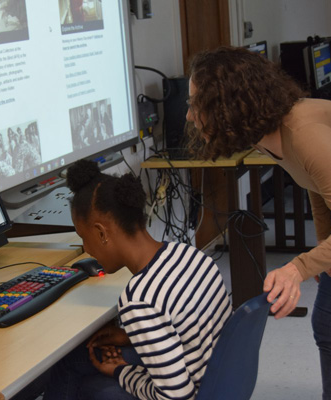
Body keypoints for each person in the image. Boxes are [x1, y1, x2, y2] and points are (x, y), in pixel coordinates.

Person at [185, 46, 331, 399]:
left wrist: (298, 267)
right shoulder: (266, 137)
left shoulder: (304, 131)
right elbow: (316, 183)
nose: (189, 116)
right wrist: (324, 245)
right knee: (329, 328)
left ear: (227, 102)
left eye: (195, 104)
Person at [43, 159, 232, 400]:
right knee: (79, 358)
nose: (86, 249)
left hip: (192, 393)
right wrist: (130, 337)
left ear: (102, 233)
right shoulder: (189, 254)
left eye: (84, 237)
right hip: (216, 382)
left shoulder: (140, 300)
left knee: (84, 384)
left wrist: (123, 372)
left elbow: (175, 397)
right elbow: (188, 330)